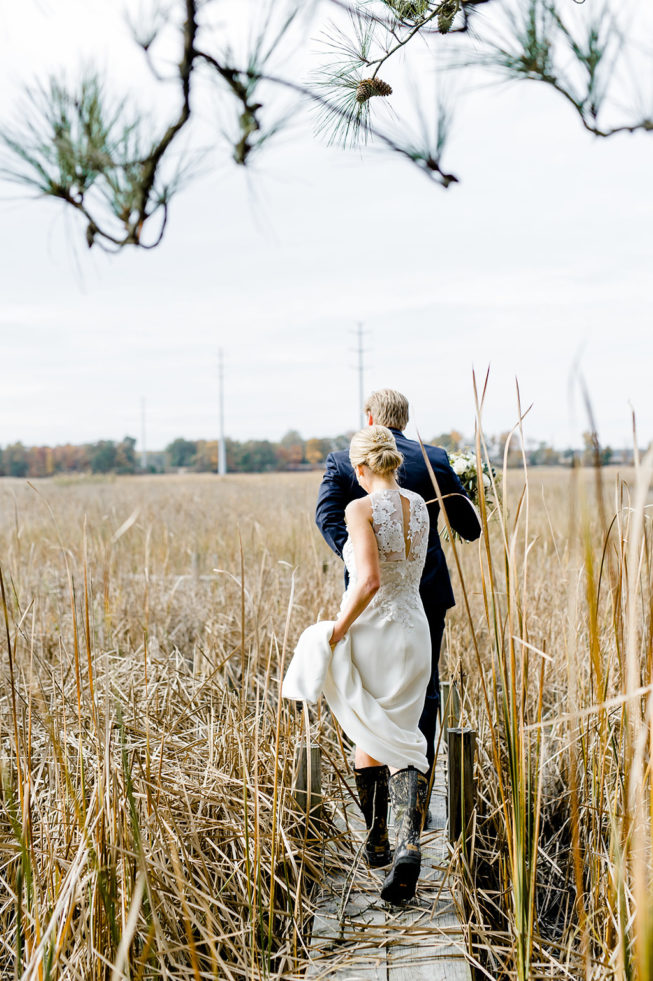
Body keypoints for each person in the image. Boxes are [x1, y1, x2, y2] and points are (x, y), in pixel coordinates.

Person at [315, 389, 481, 793]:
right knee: (422, 688)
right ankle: (418, 789)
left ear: (369, 419)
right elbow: (470, 529)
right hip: (424, 593)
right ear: (404, 421)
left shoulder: (343, 460)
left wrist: (361, 557)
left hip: (367, 600)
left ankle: (378, 804)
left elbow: (325, 517)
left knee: (367, 690)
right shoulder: (436, 459)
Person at [319, 425, 432, 903]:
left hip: (375, 631)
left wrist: (337, 631)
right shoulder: (421, 506)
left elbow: (366, 582)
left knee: (368, 728)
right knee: (404, 732)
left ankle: (378, 841)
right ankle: (408, 843)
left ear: (361, 469)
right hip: (414, 628)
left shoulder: (359, 508)